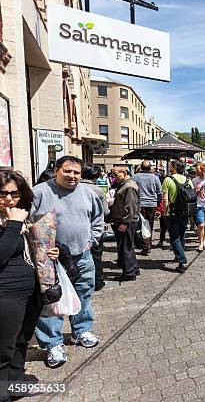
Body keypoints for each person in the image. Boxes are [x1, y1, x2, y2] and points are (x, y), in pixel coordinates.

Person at [32, 156, 104, 368]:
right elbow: (27, 221)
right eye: (67, 171)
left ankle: (80, 331)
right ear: (57, 170)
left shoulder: (88, 193)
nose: (72, 176)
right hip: (49, 260)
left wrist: (91, 242)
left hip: (81, 255)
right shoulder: (39, 192)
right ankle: (52, 342)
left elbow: (97, 220)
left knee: (84, 293)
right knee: (51, 301)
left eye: (76, 172)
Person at [0, 171, 59, 401]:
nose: (9, 199)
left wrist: (51, 249)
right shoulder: (14, 220)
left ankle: (14, 386)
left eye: (14, 193)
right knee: (3, 349)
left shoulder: (21, 217)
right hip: (5, 295)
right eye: (3, 193)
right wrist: (14, 223)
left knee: (21, 342)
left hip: (29, 291)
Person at [81, 164, 110, 291]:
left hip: (76, 229)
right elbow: (105, 211)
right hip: (94, 228)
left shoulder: (73, 187)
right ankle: (98, 281)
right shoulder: (97, 190)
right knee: (96, 256)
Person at [162, 160, 193, 273]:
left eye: (170, 165)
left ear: (174, 167)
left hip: (172, 213)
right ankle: (178, 255)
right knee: (181, 236)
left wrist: (165, 212)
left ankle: (182, 261)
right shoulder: (188, 180)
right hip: (184, 213)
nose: (168, 167)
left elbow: (165, 199)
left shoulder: (168, 179)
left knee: (174, 238)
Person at [110, 166, 140, 281]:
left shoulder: (129, 186)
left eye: (115, 174)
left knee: (125, 247)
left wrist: (125, 222)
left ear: (124, 172)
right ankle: (133, 268)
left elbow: (131, 206)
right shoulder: (125, 185)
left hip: (127, 221)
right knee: (127, 246)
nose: (114, 177)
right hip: (124, 220)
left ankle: (129, 272)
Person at [133, 160, 162, 256]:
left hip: (140, 204)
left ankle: (145, 246)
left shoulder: (135, 177)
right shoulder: (155, 177)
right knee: (149, 224)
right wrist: (157, 203)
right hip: (152, 204)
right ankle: (148, 244)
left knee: (142, 225)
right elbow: (159, 192)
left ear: (141, 167)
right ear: (150, 168)